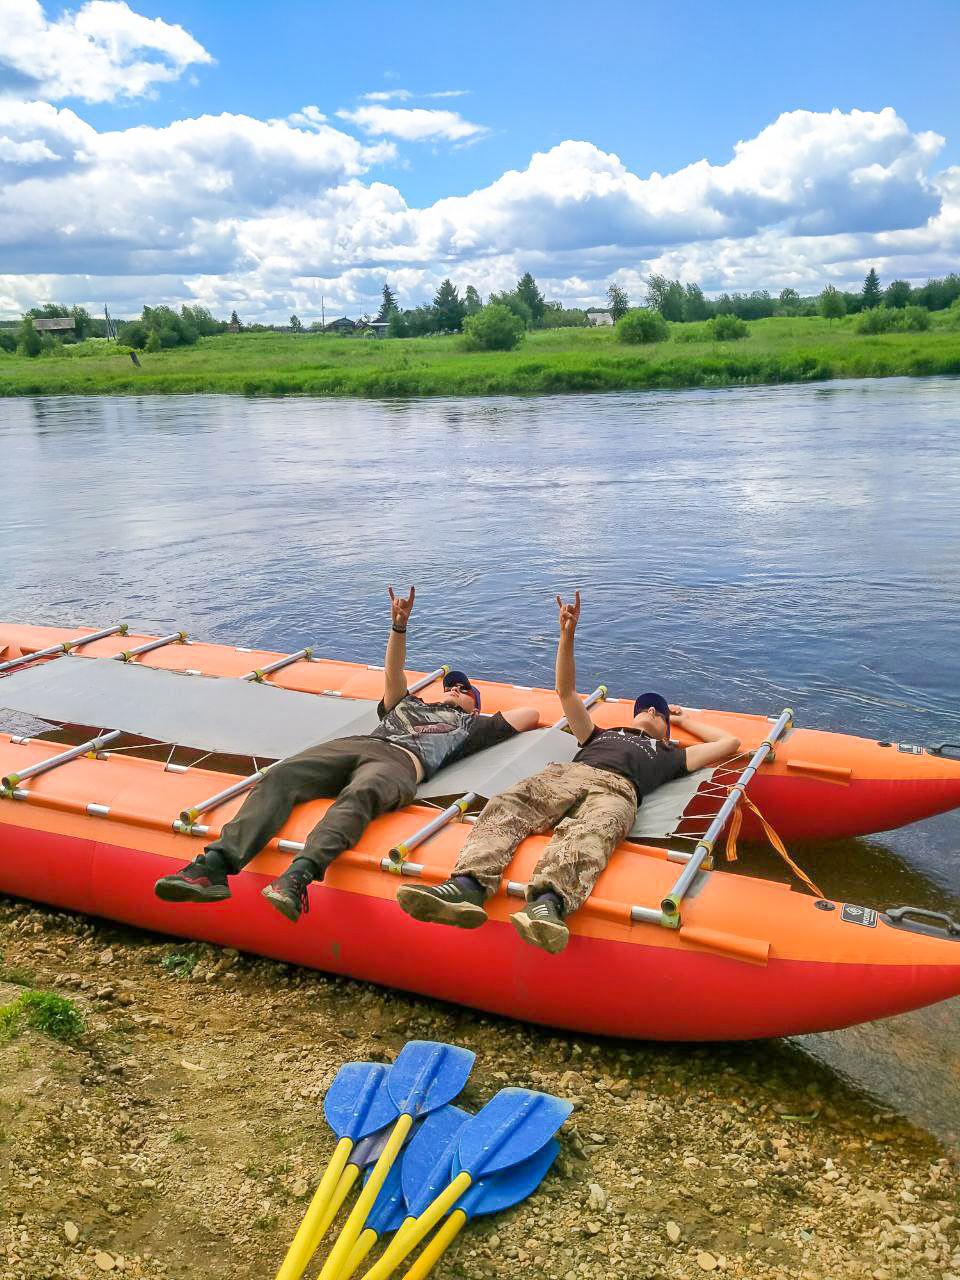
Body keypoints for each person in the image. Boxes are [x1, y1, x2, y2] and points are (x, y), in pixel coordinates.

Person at [154, 587, 539, 923]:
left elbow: (529, 714)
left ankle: (299, 876)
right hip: (358, 744)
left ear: (476, 705)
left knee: (361, 794)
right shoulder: (407, 703)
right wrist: (399, 626)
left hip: (402, 762)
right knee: (283, 775)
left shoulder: (471, 727)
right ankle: (213, 867)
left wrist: (475, 713)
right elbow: (393, 672)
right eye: (451, 686)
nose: (455, 689)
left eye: (465, 690)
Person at [397, 591, 741, 954]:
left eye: (659, 713)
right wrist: (567, 637)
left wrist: (684, 720)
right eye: (645, 709)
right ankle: (467, 886)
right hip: (568, 774)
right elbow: (565, 692)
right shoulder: (598, 733)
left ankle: (548, 904)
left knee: (594, 832)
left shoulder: (669, 753)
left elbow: (730, 742)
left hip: (617, 790)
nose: (652, 712)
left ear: (667, 731)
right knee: (508, 804)